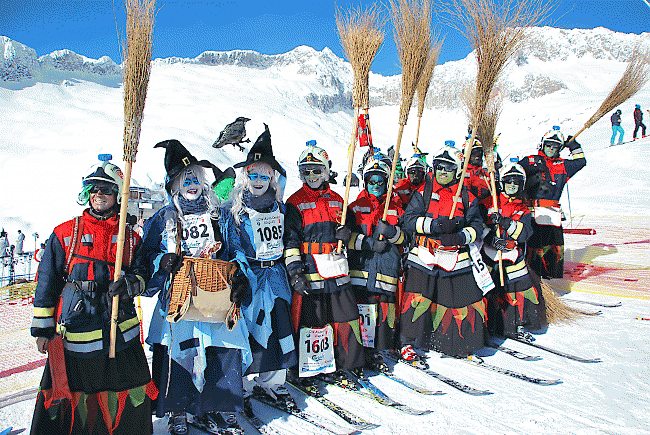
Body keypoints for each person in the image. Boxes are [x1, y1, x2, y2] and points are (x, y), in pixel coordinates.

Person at [29, 154, 155, 435]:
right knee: (74, 390)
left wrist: (132, 283)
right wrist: (43, 328)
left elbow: (146, 274)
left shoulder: (131, 237)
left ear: (118, 195)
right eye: (94, 188)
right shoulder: (65, 233)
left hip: (119, 333)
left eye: (107, 189)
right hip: (78, 328)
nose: (100, 194)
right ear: (86, 192)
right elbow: (47, 281)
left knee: (125, 386)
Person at [138, 139, 251, 435]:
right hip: (178, 299)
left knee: (223, 350)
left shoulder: (220, 216)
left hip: (216, 294)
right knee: (180, 353)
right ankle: (178, 410)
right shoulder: (163, 219)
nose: (191, 184)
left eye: (196, 178)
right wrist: (162, 262)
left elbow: (236, 250)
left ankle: (222, 405)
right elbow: (145, 257)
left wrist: (240, 274)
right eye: (184, 179)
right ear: (174, 185)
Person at [229, 125, 298, 409]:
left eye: (264, 175)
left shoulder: (281, 208)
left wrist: (293, 269)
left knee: (280, 327)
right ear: (246, 177)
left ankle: (273, 382)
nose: (258, 180)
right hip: (249, 277)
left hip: (275, 277)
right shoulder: (235, 209)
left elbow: (291, 239)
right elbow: (230, 245)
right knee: (245, 329)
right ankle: (242, 384)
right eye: (253, 174)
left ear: (273, 177)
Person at [284, 142, 364, 384]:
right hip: (311, 272)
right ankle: (311, 367)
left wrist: (346, 234)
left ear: (327, 171)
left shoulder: (340, 200)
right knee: (314, 322)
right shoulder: (294, 203)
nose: (312, 176)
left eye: (317, 170)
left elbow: (353, 234)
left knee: (346, 316)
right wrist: (295, 273)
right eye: (306, 171)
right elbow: (290, 242)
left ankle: (348, 362)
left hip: (337, 268)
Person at [400, 146, 486, 359]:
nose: (443, 172)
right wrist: (434, 226)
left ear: (457, 170)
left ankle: (458, 343)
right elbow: (408, 220)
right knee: (416, 300)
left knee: (462, 300)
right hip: (424, 254)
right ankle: (407, 342)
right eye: (439, 167)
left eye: (448, 168)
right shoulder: (423, 193)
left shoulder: (467, 197)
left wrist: (460, 236)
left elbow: (477, 227)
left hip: (454, 257)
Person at [341, 156, 409, 372]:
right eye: (372, 181)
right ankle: (360, 350)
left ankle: (377, 348)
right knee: (362, 309)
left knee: (381, 311)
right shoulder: (354, 207)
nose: (376, 186)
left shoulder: (397, 207)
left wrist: (392, 233)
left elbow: (407, 239)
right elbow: (347, 240)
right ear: (365, 181)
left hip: (386, 270)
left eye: (381, 181)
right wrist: (368, 243)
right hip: (361, 269)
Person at [483, 160, 546, 339]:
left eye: (516, 182)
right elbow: (477, 225)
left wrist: (505, 222)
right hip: (488, 255)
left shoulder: (524, 209)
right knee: (488, 290)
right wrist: (490, 238)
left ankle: (516, 324)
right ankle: (487, 325)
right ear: (502, 182)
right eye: (509, 181)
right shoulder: (489, 202)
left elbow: (525, 234)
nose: (512, 185)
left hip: (512, 255)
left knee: (519, 290)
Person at [519, 126, 586, 279]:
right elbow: (514, 172)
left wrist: (574, 146)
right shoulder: (531, 161)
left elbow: (581, 161)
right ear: (542, 145)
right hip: (532, 213)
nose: (551, 149)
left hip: (552, 214)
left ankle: (547, 284)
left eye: (555, 146)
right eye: (548, 145)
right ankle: (531, 279)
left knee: (552, 251)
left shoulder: (564, 165)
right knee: (533, 250)